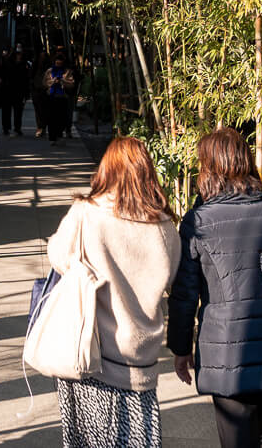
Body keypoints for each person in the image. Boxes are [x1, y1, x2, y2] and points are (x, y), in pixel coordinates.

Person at [168, 127, 262, 448]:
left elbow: (184, 294)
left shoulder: (198, 221)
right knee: (260, 435)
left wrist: (180, 349)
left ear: (208, 167)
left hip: (226, 353)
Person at [46, 136, 181, 448]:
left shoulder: (87, 213)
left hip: (94, 352)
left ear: (106, 169)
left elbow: (59, 255)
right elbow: (172, 275)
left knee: (91, 439)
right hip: (142, 356)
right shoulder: (164, 224)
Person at [42, 53, 76, 144]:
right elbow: (44, 83)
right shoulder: (49, 71)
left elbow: (71, 84)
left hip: (62, 97)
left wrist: (62, 80)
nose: (58, 65)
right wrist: (53, 81)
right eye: (57, 63)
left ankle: (59, 134)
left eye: (60, 63)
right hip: (52, 97)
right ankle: (52, 138)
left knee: (61, 118)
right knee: (51, 118)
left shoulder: (67, 71)